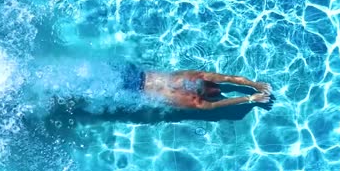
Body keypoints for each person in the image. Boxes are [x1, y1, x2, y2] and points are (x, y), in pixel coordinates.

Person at [117, 64, 272, 110]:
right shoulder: (196, 77)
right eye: (201, 85)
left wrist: (250, 98)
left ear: (198, 96)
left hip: (131, 90)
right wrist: (254, 84)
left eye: (198, 89)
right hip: (135, 74)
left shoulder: (192, 100)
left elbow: (214, 105)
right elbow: (228, 78)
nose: (192, 84)